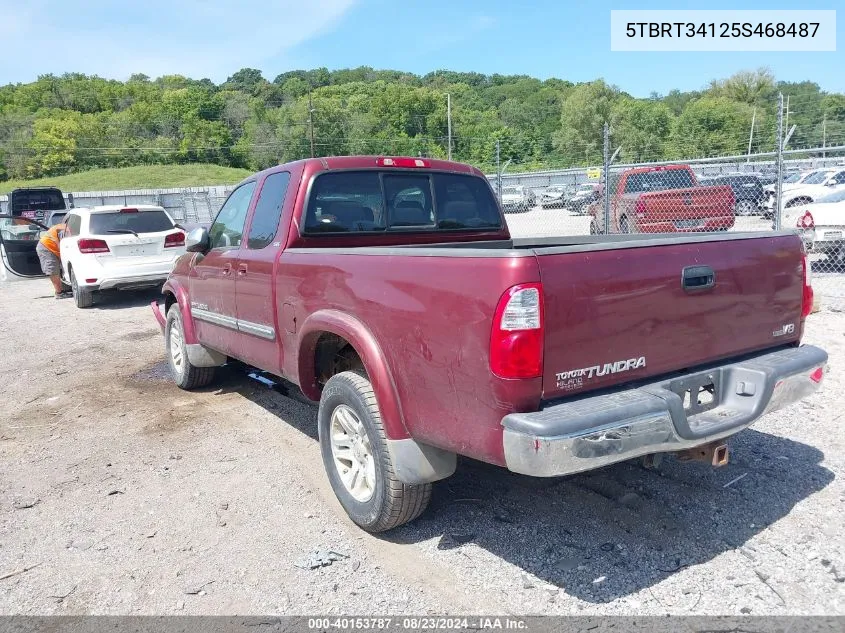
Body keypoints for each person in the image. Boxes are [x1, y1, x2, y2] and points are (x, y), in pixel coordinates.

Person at [36, 222, 71, 299]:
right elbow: (60, 245)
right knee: (53, 270)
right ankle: (59, 293)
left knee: (56, 269)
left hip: (51, 246)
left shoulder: (65, 227)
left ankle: (61, 290)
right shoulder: (64, 228)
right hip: (47, 247)